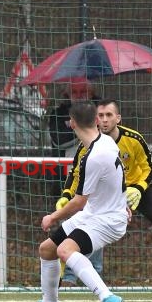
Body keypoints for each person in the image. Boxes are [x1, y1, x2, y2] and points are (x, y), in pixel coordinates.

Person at [58, 99, 152, 296]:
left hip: (136, 190)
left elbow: (150, 167)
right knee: (75, 225)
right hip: (107, 195)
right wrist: (66, 195)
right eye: (100, 116)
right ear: (95, 119)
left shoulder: (133, 139)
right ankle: (61, 278)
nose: (105, 120)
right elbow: (75, 174)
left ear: (118, 118)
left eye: (109, 115)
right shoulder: (87, 146)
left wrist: (138, 188)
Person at [18, 101, 128, 302]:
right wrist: (121, 200)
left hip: (107, 220)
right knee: (47, 249)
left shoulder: (94, 157)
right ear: (97, 121)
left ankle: (107, 297)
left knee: (65, 250)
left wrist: (52, 217)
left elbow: (78, 202)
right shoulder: (105, 142)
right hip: (96, 213)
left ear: (72, 123)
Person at [50, 79, 103, 285]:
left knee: (95, 223)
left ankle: (95, 272)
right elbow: (58, 140)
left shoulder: (100, 110)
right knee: (69, 222)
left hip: (96, 177)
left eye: (83, 91)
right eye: (75, 91)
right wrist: (81, 127)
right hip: (69, 177)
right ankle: (70, 276)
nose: (79, 94)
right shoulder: (58, 114)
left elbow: (108, 136)